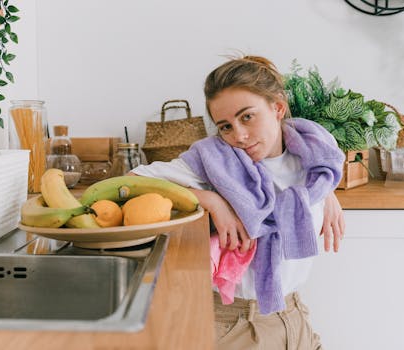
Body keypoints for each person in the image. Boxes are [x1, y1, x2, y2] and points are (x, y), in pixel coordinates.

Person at [131, 55, 345, 350]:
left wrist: (327, 192)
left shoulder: (315, 159)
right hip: (235, 324)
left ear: (278, 107)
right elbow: (130, 182)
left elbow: (319, 177)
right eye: (225, 126)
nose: (239, 136)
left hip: (294, 318)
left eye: (247, 117)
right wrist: (212, 201)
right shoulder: (213, 160)